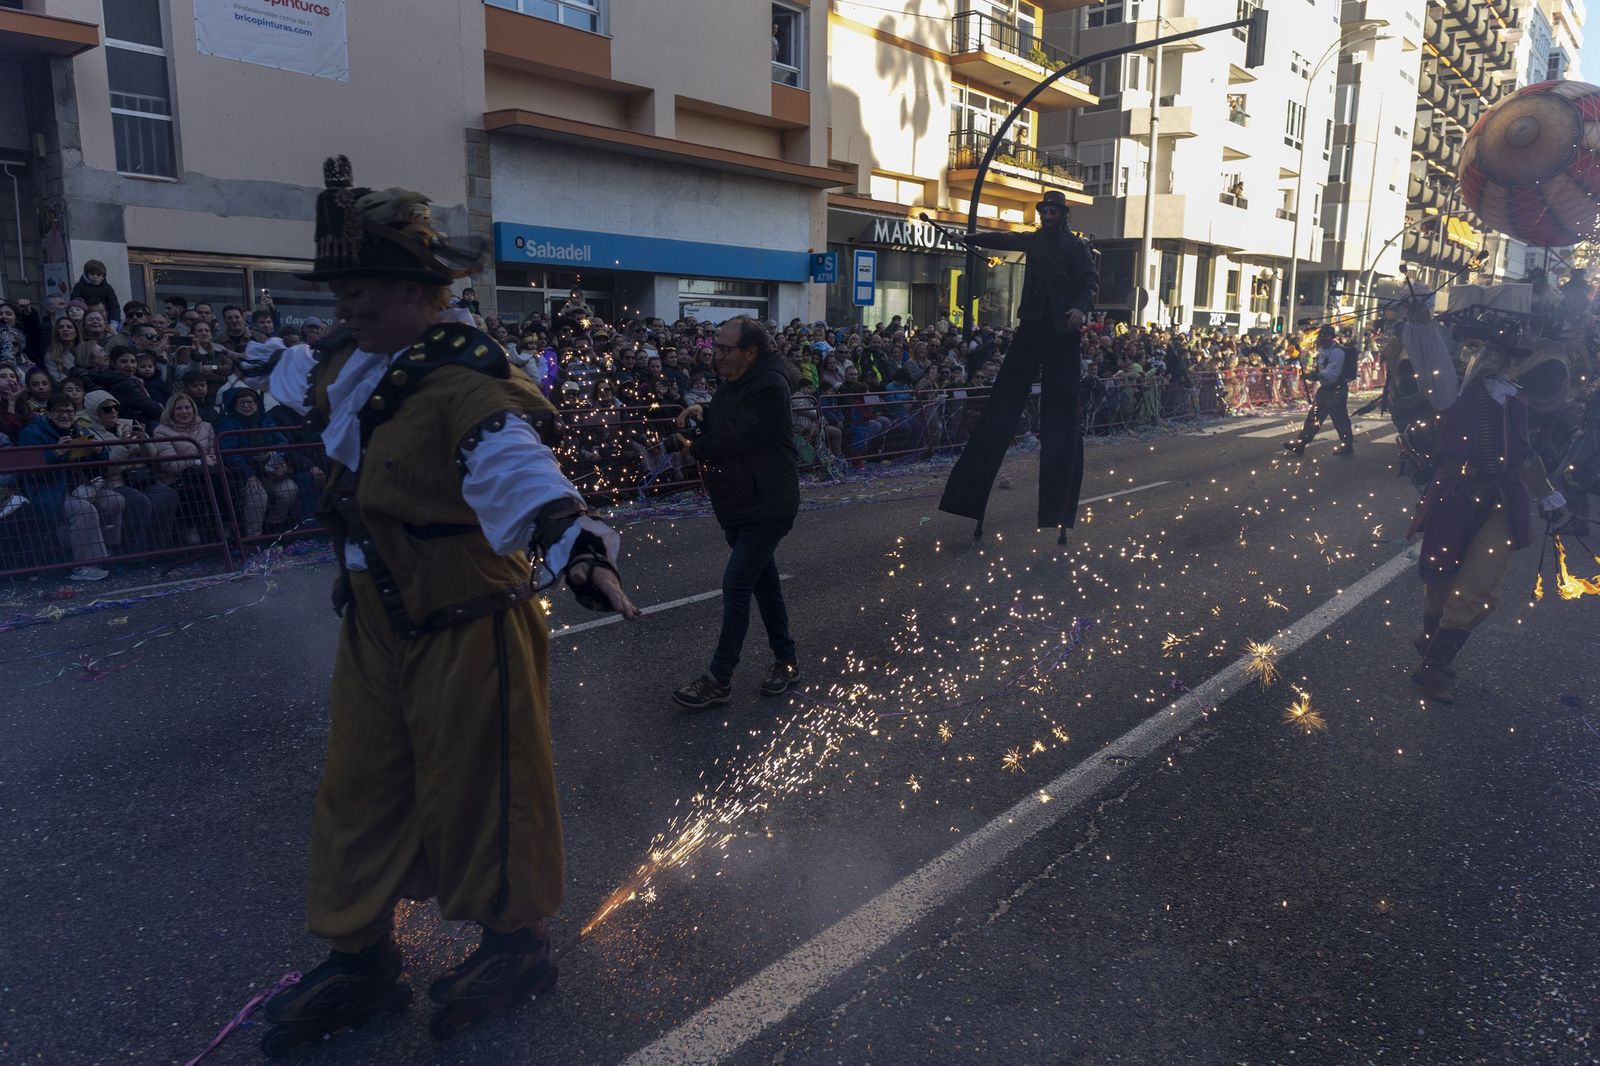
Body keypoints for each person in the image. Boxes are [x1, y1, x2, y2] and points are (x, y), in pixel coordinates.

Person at [239, 156, 639, 1053]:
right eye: (339, 296)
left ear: (424, 292)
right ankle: (361, 961)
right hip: (377, 620)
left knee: (487, 793)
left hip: (470, 622)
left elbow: (523, 474)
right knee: (358, 787)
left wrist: (575, 550)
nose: (344, 312)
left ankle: (515, 947)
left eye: (364, 295)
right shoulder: (349, 357)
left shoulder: (468, 384)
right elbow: (296, 376)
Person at [1403, 292, 1571, 702]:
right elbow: (1431, 362)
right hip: (1455, 497)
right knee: (1441, 579)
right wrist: (1422, 321)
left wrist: (1548, 496)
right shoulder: (1453, 392)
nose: (1496, 360)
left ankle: (1432, 668)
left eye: (1503, 355)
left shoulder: (1516, 400)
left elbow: (1525, 453)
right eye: (1485, 350)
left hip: (1501, 502)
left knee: (1476, 588)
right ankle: (1430, 637)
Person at [938, 190, 1100, 540]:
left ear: (1064, 214)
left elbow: (1090, 282)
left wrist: (1080, 309)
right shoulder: (1035, 240)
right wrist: (967, 236)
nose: (1048, 214)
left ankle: (1059, 515)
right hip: (1032, 326)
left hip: (1061, 331)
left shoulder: (1077, 247)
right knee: (1001, 406)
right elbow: (1004, 238)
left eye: (1053, 210)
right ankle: (970, 500)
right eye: (1045, 210)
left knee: (1062, 417)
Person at [665, 316, 801, 709]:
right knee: (765, 585)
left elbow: (736, 437)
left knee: (737, 585)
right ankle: (786, 660)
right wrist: (701, 412)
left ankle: (719, 678)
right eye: (715, 346)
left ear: (750, 352)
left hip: (766, 502)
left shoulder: (770, 386)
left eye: (725, 348)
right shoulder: (736, 380)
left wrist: (691, 446)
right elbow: (725, 415)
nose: (715, 354)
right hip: (739, 501)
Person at [18, 391, 126, 581]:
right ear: (49, 413)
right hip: (49, 491)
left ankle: (109, 555)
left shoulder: (80, 430)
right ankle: (85, 566)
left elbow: (102, 461)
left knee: (115, 500)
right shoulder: (32, 432)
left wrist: (99, 450)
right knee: (84, 511)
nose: (65, 415)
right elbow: (29, 468)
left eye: (69, 411)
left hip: (81, 487)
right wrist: (56, 453)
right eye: (59, 411)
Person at [77, 389, 178, 556]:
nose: (114, 411)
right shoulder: (86, 432)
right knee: (138, 502)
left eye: (116, 407)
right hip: (113, 483)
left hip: (140, 477)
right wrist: (123, 445)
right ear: (95, 412)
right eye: (107, 409)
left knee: (166, 495)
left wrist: (143, 441)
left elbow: (151, 456)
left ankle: (158, 549)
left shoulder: (128, 423)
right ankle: (134, 554)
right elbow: (106, 467)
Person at [1284, 325, 1355, 456]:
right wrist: (1312, 371)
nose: (1321, 339)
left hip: (1336, 389)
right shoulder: (1322, 351)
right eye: (1320, 336)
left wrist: (1315, 376)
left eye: (1324, 336)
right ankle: (1301, 443)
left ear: (1331, 338)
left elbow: (1332, 373)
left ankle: (1347, 445)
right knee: (1314, 416)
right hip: (1325, 388)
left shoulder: (1337, 353)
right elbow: (1320, 367)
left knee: (1339, 418)